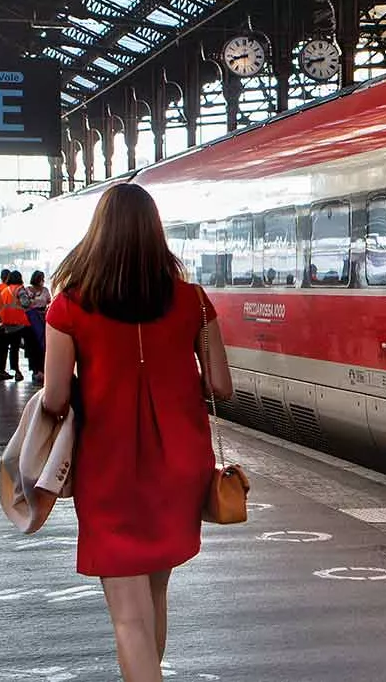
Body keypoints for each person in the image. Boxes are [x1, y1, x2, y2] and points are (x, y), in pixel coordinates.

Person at [42, 184, 232, 682]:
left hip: (108, 469)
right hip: (179, 465)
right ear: (156, 232)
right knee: (154, 593)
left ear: (97, 234)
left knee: (128, 617)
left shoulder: (69, 307)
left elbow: (55, 398)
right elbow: (221, 386)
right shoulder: (192, 301)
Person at [0, 270, 31, 381]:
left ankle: (0, 370)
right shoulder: (20, 290)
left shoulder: (5, 291)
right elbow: (25, 303)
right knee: (14, 349)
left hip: (5, 324)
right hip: (17, 325)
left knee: (3, 349)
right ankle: (16, 371)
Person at [25, 269, 51, 384]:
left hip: (43, 318)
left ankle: (42, 369)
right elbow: (25, 303)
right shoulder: (28, 290)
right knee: (33, 346)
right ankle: (35, 370)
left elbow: (49, 301)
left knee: (43, 344)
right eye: (41, 278)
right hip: (31, 320)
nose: (43, 281)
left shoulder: (45, 290)